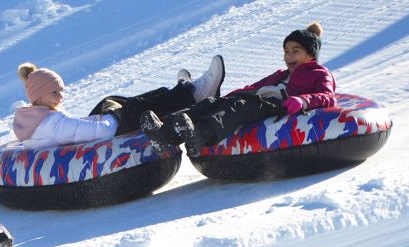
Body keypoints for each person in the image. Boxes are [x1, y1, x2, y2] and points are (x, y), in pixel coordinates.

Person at [141, 22, 336, 157]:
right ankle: (164, 134)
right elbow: (255, 87)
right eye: (286, 51)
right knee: (212, 103)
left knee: (238, 108)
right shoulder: (280, 73)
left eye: (295, 51)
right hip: (257, 100)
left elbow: (327, 97)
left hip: (277, 106)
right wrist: (232, 95)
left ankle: (199, 135)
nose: (288, 56)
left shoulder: (319, 73)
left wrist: (302, 101)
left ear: (310, 55)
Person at [12, 56, 225, 147]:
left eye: (61, 91)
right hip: (110, 131)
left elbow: (75, 130)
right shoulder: (52, 123)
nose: (61, 97)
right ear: (39, 96)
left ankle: (180, 91)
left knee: (111, 101)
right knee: (134, 108)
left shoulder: (33, 118)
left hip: (92, 132)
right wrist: (112, 117)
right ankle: (195, 93)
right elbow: (99, 132)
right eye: (54, 93)